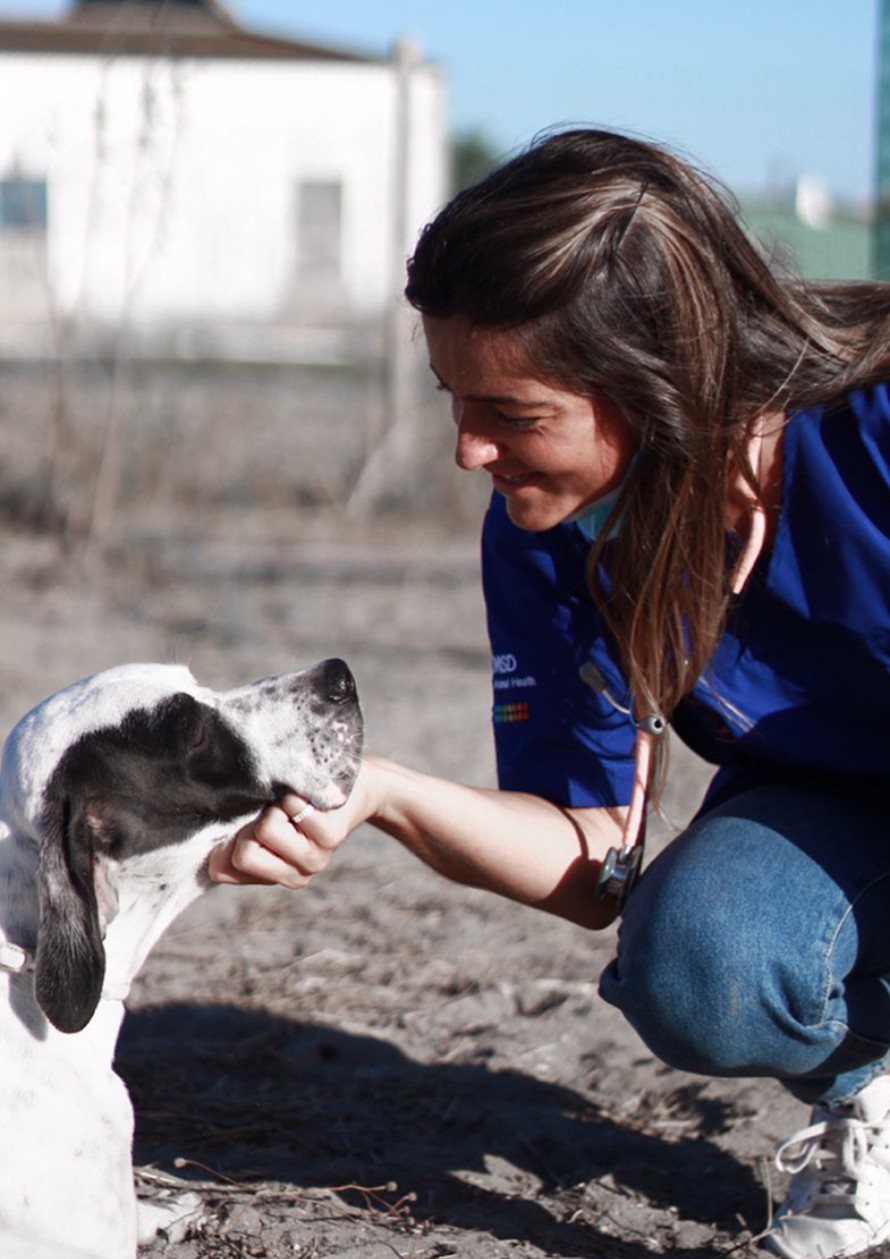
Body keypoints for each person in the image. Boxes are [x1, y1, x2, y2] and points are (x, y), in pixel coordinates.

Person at [209, 127, 890, 1259]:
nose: (467, 451)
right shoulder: (556, 531)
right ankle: (865, 1084)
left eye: (511, 414)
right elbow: (590, 862)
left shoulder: (866, 439)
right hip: (837, 802)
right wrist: (378, 795)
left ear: (662, 381)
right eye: (453, 399)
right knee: (697, 960)